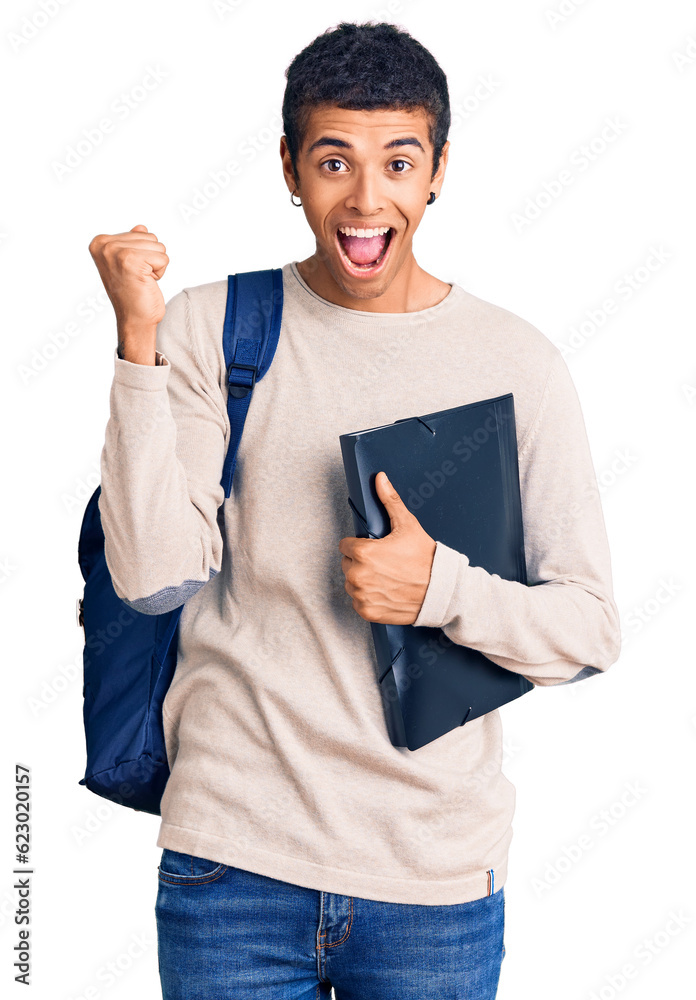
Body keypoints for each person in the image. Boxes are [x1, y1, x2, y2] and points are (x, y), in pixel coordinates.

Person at [88, 20, 621, 1000]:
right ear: (290, 168)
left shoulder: (519, 361)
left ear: (438, 171)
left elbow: (587, 633)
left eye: (398, 162)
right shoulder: (213, 327)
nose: (367, 198)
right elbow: (154, 576)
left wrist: (442, 589)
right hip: (233, 865)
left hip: (433, 879)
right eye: (334, 160)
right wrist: (137, 344)